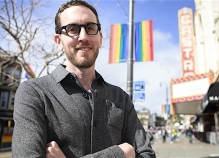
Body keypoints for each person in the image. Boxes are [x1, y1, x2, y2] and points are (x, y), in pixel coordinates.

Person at [11, 0, 156, 158]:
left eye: (90, 28)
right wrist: (121, 153)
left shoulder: (121, 98)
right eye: (72, 29)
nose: (83, 36)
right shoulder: (34, 93)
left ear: (100, 38)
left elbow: (147, 154)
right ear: (58, 41)